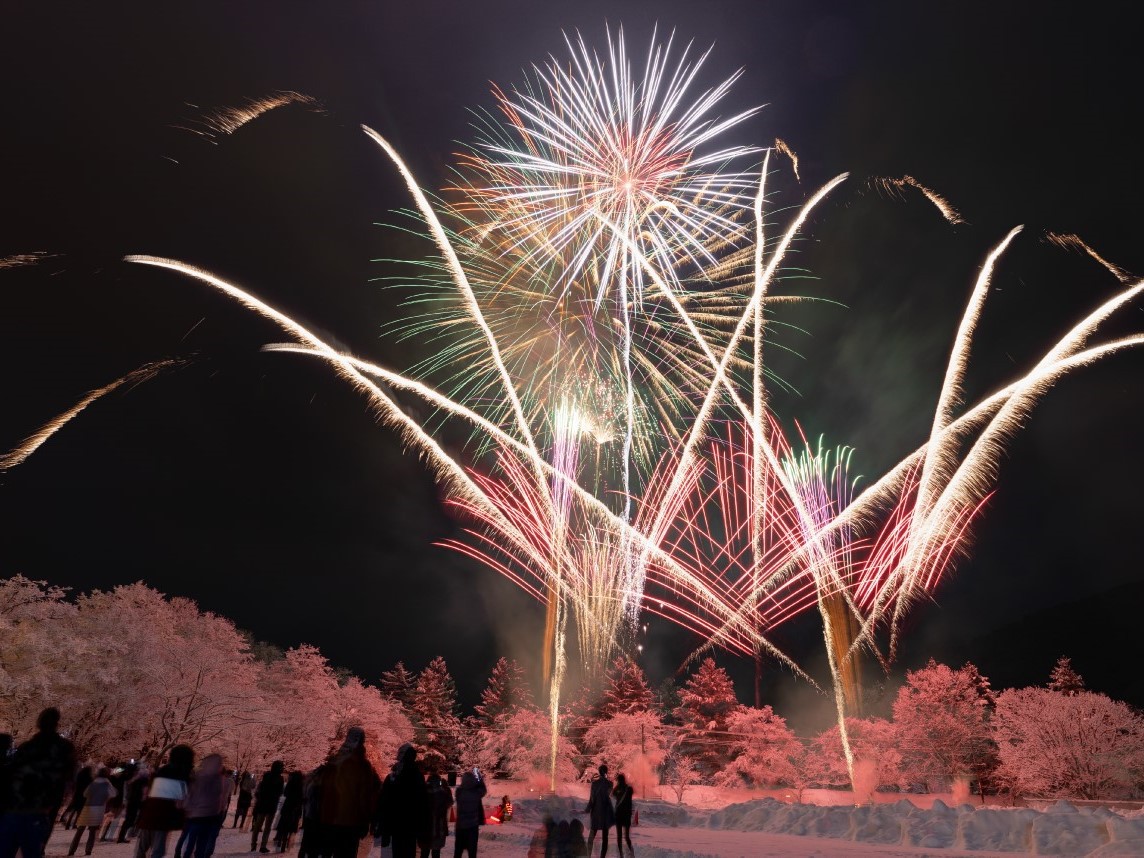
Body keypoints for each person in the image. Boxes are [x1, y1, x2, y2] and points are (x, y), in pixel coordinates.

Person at [0, 707, 78, 858]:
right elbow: (68, 777)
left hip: (15, 808)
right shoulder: (64, 749)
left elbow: (12, 775)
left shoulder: (27, 748)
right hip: (39, 810)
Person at [318, 727, 379, 858]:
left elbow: (322, 790)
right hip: (351, 822)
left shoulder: (333, 762)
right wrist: (366, 821)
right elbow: (364, 796)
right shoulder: (363, 766)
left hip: (329, 819)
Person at [134, 744, 194, 858]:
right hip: (165, 817)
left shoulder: (161, 771)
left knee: (142, 847)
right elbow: (183, 800)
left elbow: (148, 791)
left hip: (149, 813)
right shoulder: (184, 776)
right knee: (158, 850)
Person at [374, 743, 425, 858]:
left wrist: (381, 824)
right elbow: (423, 804)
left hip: (395, 823)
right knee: (408, 851)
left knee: (396, 851)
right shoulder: (417, 776)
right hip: (411, 824)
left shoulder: (393, 777)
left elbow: (383, 802)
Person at [178, 754, 231, 858]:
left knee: (190, 843)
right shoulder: (221, 780)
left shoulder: (199, 776)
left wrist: (187, 809)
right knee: (202, 844)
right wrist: (220, 811)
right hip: (211, 817)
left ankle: (185, 854)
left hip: (196, 816)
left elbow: (190, 795)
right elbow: (222, 799)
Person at [69, 767, 117, 856]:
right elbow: (113, 793)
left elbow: (85, 794)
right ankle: (88, 850)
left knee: (80, 830)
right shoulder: (107, 783)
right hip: (99, 808)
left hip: (88, 807)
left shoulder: (94, 782)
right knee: (92, 831)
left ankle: (72, 849)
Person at [250, 762, 285, 853]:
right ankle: (263, 845)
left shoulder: (266, 776)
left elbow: (260, 789)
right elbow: (280, 791)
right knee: (267, 826)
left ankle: (253, 845)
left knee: (258, 825)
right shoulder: (280, 779)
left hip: (262, 803)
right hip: (272, 804)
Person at [450, 768, 485, 858]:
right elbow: (483, 789)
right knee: (472, 852)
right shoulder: (476, 793)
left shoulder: (459, 792)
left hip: (460, 826)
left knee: (458, 851)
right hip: (472, 826)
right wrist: (478, 776)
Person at [295, 764, 327, 858]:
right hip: (316, 817)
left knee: (306, 842)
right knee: (312, 845)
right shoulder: (318, 786)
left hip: (310, 815)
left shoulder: (311, 783)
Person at [584, 765, 614, 858]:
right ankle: (602, 856)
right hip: (606, 811)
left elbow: (592, 799)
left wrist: (588, 808)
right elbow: (608, 793)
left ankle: (588, 855)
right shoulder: (610, 784)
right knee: (605, 837)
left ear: (599, 771)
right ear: (606, 772)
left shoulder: (595, 784)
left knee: (592, 835)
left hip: (597, 810)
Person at [419, 773, 452, 858]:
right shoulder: (443, 794)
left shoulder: (423, 794)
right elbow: (450, 802)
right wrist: (446, 789)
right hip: (439, 828)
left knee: (424, 852)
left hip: (424, 828)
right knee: (436, 852)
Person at [273, 772, 303, 852]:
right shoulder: (301, 785)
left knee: (284, 823)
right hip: (296, 807)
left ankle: (280, 840)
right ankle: (287, 843)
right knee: (292, 825)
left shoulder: (290, 783)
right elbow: (303, 797)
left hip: (288, 806)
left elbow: (285, 793)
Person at [118, 766, 148, 843]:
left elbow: (128, 784)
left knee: (128, 819)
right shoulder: (144, 780)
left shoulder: (133, 779)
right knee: (134, 819)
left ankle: (121, 836)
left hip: (131, 800)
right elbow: (145, 791)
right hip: (138, 801)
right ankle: (132, 834)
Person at [610, 775, 633, 858]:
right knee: (627, 836)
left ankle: (621, 855)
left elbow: (613, 794)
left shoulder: (617, 789)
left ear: (618, 781)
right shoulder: (629, 789)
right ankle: (631, 853)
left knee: (619, 836)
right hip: (627, 815)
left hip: (619, 815)